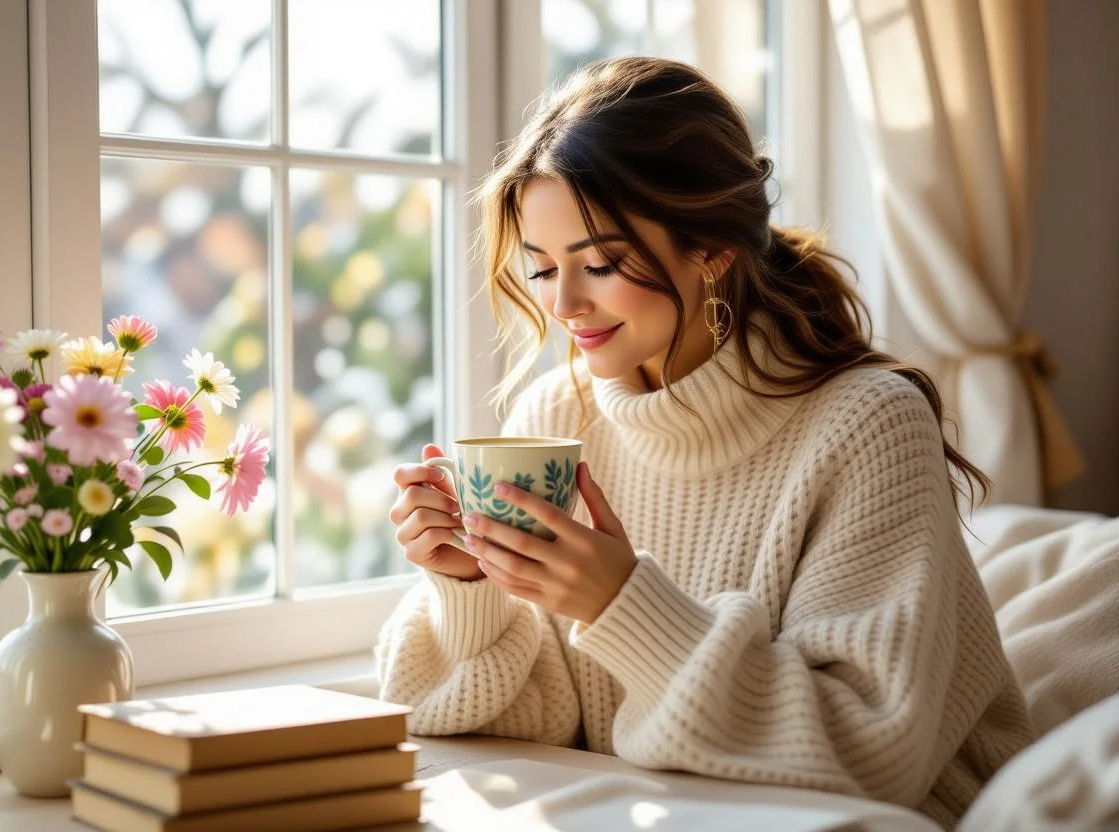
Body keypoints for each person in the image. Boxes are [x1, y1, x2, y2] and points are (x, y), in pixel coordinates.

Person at [378, 56, 1033, 828]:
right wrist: (470, 587)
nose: (565, 304)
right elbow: (540, 720)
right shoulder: (556, 416)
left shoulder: (867, 424)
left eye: (601, 263)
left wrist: (622, 604)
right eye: (543, 268)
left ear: (712, 248)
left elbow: (869, 752)